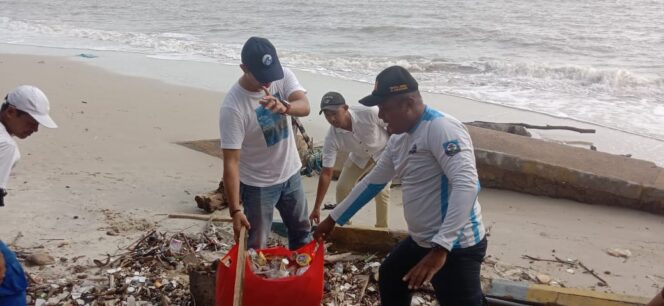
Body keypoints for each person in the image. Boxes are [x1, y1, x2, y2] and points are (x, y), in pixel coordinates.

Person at [314, 66, 488, 306]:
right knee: (391, 276)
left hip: (456, 245)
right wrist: (332, 219)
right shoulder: (398, 138)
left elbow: (467, 185)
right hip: (422, 239)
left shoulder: (442, 128)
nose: (382, 116)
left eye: (385, 108)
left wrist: (441, 249)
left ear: (408, 102)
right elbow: (372, 183)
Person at [220, 37, 312, 250]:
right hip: (258, 186)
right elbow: (231, 163)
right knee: (256, 244)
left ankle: (300, 276)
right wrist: (235, 210)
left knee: (302, 232)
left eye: (270, 74)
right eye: (261, 76)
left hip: (291, 174)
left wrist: (285, 107)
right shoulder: (233, 108)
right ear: (244, 68)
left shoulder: (282, 76)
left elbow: (305, 106)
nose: (268, 82)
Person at [0, 85, 57, 305]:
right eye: (32, 121)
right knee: (12, 282)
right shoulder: (5, 145)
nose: (35, 129)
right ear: (11, 112)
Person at [309, 91, 390, 228]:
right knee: (342, 187)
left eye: (334, 113)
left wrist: (396, 151)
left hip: (383, 152)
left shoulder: (368, 112)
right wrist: (316, 208)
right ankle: (344, 225)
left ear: (346, 108)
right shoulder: (331, 137)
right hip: (359, 156)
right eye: (327, 115)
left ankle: (382, 228)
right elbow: (326, 173)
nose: (332, 119)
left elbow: (391, 125)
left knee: (381, 191)